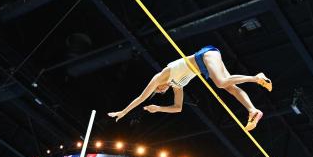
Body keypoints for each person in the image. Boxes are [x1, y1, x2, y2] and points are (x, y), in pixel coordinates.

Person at [108, 46, 272, 131]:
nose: (161, 90)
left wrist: (123, 112)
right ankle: (252, 110)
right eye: (161, 92)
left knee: (221, 83)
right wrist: (158, 108)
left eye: (158, 90)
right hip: (205, 65)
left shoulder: (161, 76)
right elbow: (178, 108)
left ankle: (256, 77)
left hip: (204, 55)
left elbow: (141, 98)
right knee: (229, 87)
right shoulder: (177, 86)